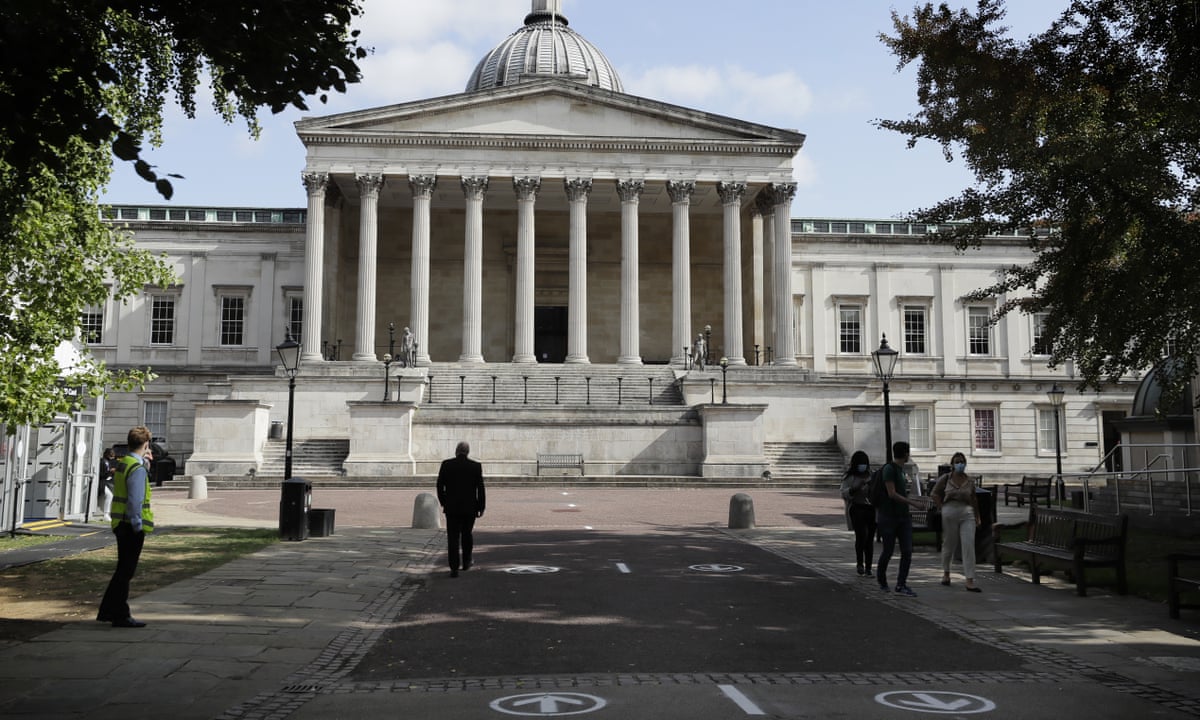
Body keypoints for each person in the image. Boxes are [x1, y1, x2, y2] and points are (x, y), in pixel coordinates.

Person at [97, 427, 155, 627]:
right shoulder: (137, 469)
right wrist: (138, 524)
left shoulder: (124, 464)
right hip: (131, 526)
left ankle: (109, 611)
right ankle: (119, 614)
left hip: (120, 523)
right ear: (146, 445)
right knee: (126, 571)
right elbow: (135, 501)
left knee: (122, 570)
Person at [876, 441, 922, 596]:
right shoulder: (889, 469)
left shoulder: (902, 470)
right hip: (888, 516)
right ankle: (882, 580)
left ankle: (901, 584)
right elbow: (892, 493)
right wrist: (912, 503)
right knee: (888, 551)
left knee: (907, 551)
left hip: (903, 517)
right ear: (906, 454)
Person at [932, 452, 983, 592]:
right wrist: (941, 507)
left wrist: (977, 516)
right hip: (950, 510)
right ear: (953, 464)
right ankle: (946, 573)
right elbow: (934, 493)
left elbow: (973, 499)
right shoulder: (946, 478)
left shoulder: (970, 481)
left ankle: (969, 579)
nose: (960, 464)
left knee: (968, 544)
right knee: (949, 543)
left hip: (967, 512)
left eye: (962, 461)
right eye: (957, 462)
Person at [436, 440, 486, 578]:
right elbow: (480, 488)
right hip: (469, 508)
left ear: (456, 451)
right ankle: (467, 562)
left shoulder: (446, 465)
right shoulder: (475, 466)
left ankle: (453, 567)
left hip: (451, 508)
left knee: (453, 537)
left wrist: (444, 501)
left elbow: (440, 485)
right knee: (467, 534)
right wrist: (481, 506)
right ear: (468, 452)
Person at [840, 450, 876, 576]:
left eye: (864, 463)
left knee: (870, 538)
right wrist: (854, 488)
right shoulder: (850, 477)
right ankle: (860, 563)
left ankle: (869, 567)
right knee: (861, 536)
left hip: (870, 508)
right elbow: (844, 493)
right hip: (857, 508)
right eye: (860, 463)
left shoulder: (872, 475)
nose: (863, 466)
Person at [97, 447, 117, 521]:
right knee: (109, 495)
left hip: (107, 482)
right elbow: (102, 474)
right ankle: (106, 514)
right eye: (111, 454)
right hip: (102, 482)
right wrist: (110, 472)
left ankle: (107, 513)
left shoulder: (107, 462)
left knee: (110, 495)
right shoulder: (103, 462)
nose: (112, 456)